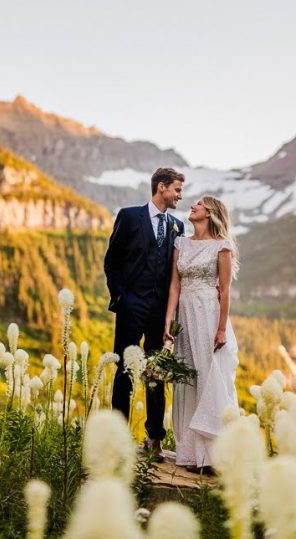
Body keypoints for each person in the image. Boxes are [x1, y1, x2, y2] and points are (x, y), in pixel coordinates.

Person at [104, 167, 186, 460]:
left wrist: (170, 314)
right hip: (131, 307)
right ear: (162, 187)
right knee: (124, 372)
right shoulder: (129, 216)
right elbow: (111, 260)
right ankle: (117, 439)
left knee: (156, 374)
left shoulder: (178, 225)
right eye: (177, 189)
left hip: (159, 312)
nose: (180, 195)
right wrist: (120, 297)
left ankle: (154, 439)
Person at [164, 195, 239, 473]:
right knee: (188, 378)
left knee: (209, 375)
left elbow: (225, 291)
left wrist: (221, 329)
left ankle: (214, 455)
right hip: (185, 316)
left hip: (209, 314)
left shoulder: (221, 246)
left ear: (209, 213)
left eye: (198, 204)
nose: (192, 206)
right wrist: (168, 323)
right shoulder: (180, 243)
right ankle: (192, 452)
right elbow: (174, 287)